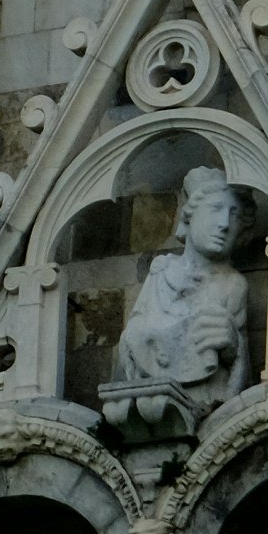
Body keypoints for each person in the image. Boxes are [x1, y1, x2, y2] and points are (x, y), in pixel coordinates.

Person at [107, 165, 253, 420]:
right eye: (215, 209)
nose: (224, 224)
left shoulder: (233, 284)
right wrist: (142, 337)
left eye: (235, 215)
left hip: (210, 403)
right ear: (189, 216)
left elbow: (241, 379)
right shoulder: (162, 271)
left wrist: (233, 348)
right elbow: (128, 352)